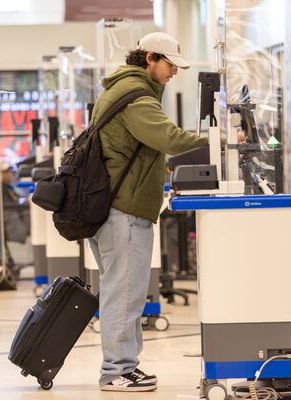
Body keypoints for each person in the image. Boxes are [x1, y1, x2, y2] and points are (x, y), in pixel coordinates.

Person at [87, 32, 208, 392]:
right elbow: (168, 138)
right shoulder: (135, 96)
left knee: (124, 292)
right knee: (124, 294)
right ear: (150, 58)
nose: (174, 73)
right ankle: (116, 371)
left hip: (117, 208)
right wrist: (213, 140)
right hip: (123, 210)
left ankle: (124, 366)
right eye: (170, 65)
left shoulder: (128, 90)